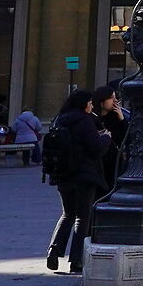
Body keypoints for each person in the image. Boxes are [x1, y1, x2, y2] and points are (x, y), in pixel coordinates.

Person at [44, 90, 112, 274]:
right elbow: (96, 148)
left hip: (63, 174)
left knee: (67, 214)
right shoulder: (85, 121)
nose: (92, 106)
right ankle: (76, 260)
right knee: (82, 217)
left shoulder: (61, 118)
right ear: (83, 104)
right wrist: (106, 137)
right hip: (84, 175)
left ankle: (54, 250)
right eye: (90, 103)